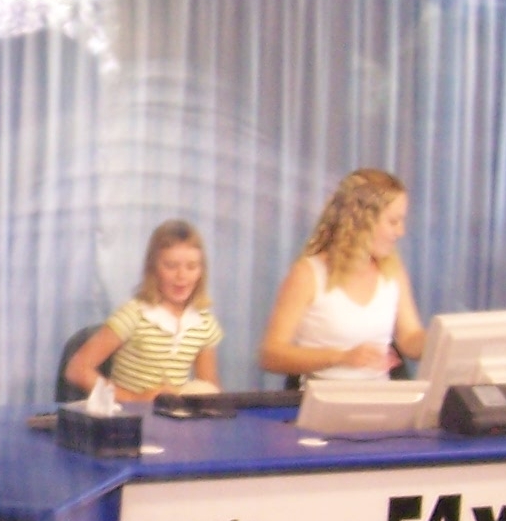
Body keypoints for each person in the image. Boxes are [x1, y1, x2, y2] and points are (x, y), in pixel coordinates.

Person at [260, 168, 426, 381]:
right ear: (363, 221)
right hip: (325, 400)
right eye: (393, 222)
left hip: (380, 398)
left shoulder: (392, 271)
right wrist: (340, 357)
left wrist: (441, 341)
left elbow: (410, 339)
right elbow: (271, 354)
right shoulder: (308, 274)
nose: (400, 232)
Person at [65, 219, 223, 401]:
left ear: (202, 271)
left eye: (191, 267)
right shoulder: (134, 313)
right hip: (128, 421)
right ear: (153, 268)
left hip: (173, 422)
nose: (182, 276)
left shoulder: (204, 322)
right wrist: (134, 399)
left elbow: (208, 387)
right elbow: (76, 369)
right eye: (171, 266)